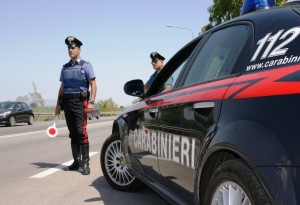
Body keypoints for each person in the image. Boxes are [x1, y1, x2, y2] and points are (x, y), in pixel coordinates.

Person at [55, 36, 97, 175]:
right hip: (67, 102)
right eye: (69, 47)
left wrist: (91, 102)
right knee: (72, 133)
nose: (70, 49)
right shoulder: (65, 67)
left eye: (73, 47)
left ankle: (85, 164)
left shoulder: (86, 65)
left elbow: (93, 83)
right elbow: (62, 86)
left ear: (79, 49)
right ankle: (76, 161)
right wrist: (57, 104)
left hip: (80, 102)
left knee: (81, 132)